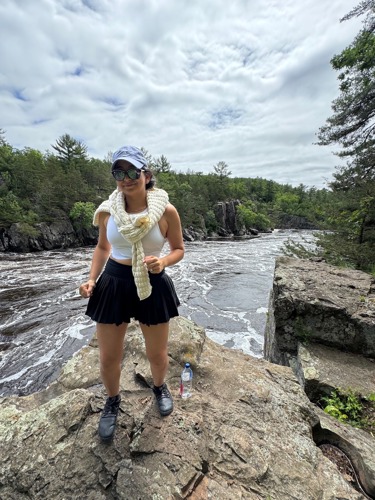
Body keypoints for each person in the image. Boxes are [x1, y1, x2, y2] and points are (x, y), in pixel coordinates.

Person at [79, 145, 184, 443]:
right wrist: (91, 279)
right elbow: (102, 248)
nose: (125, 178)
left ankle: (160, 387)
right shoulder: (107, 211)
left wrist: (162, 261)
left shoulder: (166, 211)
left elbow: (179, 249)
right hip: (113, 281)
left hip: (152, 280)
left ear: (146, 174)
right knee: (109, 356)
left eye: (131, 171)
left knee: (157, 353)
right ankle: (112, 401)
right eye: (118, 172)